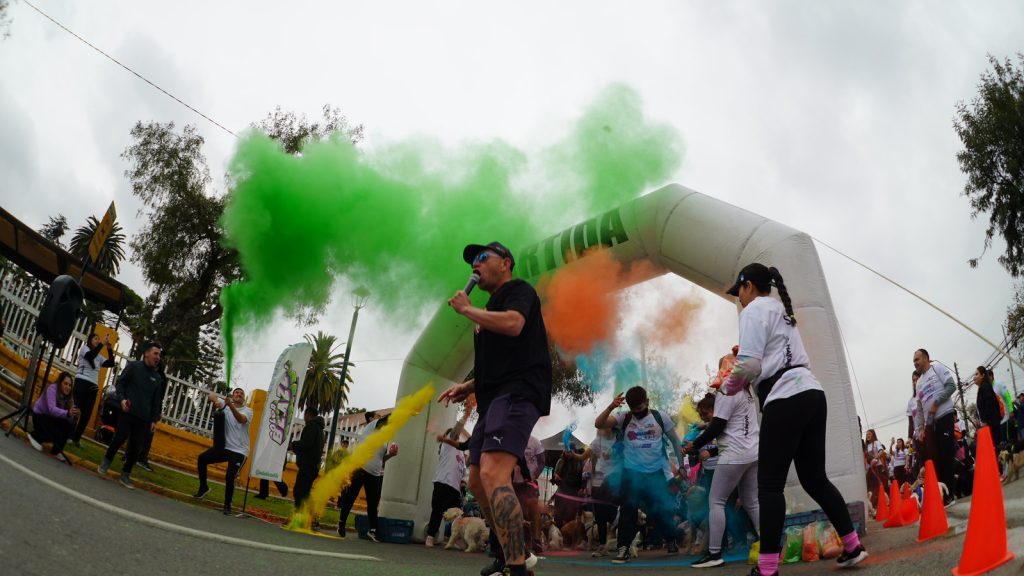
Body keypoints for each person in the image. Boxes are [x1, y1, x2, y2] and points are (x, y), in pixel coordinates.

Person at [721, 263, 867, 576]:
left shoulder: (752, 311)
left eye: (739, 292)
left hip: (784, 398)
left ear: (748, 285)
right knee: (815, 478)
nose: (739, 299)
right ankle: (853, 545)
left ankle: (768, 569)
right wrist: (748, 360)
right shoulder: (779, 310)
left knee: (769, 486)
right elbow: (768, 356)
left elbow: (747, 367)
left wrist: (727, 385)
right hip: (812, 393)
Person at [438, 241, 550, 576]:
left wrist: (467, 310)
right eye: (472, 259)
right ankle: (511, 554)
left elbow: (515, 325)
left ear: (506, 262)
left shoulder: (518, 290)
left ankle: (516, 570)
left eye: (482, 257)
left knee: (493, 473)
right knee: (476, 480)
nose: (475, 263)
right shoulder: (488, 312)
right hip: (493, 398)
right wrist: (469, 385)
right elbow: (496, 362)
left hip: (518, 392)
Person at [686, 359, 761, 569]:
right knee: (752, 501)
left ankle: (714, 554)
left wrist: (695, 444)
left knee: (716, 501)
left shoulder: (727, 389)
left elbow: (718, 425)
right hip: (753, 453)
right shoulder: (746, 390)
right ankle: (772, 545)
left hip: (734, 455)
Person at [594, 385, 682, 563]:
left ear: (647, 402)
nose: (637, 412)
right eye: (634, 409)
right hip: (632, 474)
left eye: (640, 408)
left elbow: (675, 440)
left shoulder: (660, 417)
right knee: (628, 509)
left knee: (659, 511)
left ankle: (671, 538)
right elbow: (599, 424)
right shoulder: (624, 417)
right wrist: (611, 406)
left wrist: (682, 466)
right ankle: (623, 549)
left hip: (655, 473)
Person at [98, 342, 165, 489]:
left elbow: (156, 401)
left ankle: (125, 474)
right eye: (155, 353)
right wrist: (121, 399)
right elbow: (120, 384)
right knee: (120, 437)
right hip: (127, 412)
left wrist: (154, 420)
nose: (158, 357)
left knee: (136, 447)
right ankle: (106, 462)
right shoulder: (134, 367)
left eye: (159, 355)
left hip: (143, 418)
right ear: (147, 353)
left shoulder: (157, 378)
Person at [337, 413, 398, 542]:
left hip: (374, 473)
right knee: (350, 497)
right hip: (360, 469)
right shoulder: (372, 426)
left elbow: (381, 459)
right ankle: (341, 523)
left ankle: (373, 530)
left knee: (373, 502)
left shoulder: (385, 437)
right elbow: (383, 420)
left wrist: (391, 455)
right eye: (377, 416)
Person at [192, 388, 252, 514]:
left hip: (239, 452)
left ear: (244, 398)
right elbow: (211, 395)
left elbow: (241, 419)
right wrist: (217, 402)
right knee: (202, 459)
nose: (239, 394)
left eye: (242, 393)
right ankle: (204, 487)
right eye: (237, 392)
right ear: (232, 395)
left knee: (230, 476)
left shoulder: (248, 410)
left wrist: (229, 405)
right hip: (224, 448)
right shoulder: (226, 404)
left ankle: (227, 505)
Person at [912, 348, 958, 507]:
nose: (915, 363)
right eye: (914, 361)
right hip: (931, 424)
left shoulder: (937, 368)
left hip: (944, 416)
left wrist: (937, 403)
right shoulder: (918, 383)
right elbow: (919, 408)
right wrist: (920, 429)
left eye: (917, 359)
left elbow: (952, 386)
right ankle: (943, 494)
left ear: (925, 358)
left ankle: (950, 495)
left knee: (946, 456)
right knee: (936, 460)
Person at [426, 412, 470, 547]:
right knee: (438, 511)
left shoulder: (461, 453)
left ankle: (455, 539)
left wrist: (464, 483)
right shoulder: (447, 446)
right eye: (455, 435)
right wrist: (465, 416)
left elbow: (462, 471)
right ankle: (430, 536)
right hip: (443, 482)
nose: (457, 437)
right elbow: (455, 431)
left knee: (458, 516)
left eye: (457, 436)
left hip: (455, 488)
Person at [70, 332, 115, 446]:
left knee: (86, 415)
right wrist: (101, 344)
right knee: (76, 410)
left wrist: (109, 349)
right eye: (95, 339)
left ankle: (76, 438)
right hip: (81, 382)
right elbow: (90, 356)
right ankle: (69, 435)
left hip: (93, 386)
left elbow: (111, 363)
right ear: (90, 340)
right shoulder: (85, 349)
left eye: (98, 339)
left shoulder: (99, 357)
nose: (97, 341)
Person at [28, 371, 80, 461]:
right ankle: (35, 436)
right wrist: (68, 413)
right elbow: (52, 410)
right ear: (60, 383)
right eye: (65, 384)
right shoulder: (52, 389)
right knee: (56, 430)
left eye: (70, 385)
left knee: (67, 425)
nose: (68, 387)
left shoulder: (69, 397)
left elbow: (68, 417)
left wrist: (74, 416)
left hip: (52, 419)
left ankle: (56, 451)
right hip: (40, 416)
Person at [586, 427, 618, 558]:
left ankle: (625, 543)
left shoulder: (619, 440)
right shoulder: (596, 442)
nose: (602, 429)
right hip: (598, 482)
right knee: (599, 516)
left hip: (614, 481)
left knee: (611, 513)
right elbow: (588, 458)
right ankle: (603, 545)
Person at [289, 407, 325, 509]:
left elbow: (306, 444)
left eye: (304, 415)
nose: (304, 417)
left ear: (308, 414)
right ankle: (311, 517)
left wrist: (293, 444)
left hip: (307, 465)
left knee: (299, 492)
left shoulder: (311, 426)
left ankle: (298, 517)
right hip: (313, 466)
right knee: (305, 493)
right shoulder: (320, 429)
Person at [975, 365, 1002, 449]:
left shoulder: (985, 387)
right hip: (989, 423)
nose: (974, 377)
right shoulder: (982, 388)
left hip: (992, 423)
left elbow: (989, 404)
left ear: (983, 375)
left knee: (994, 446)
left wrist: (986, 421)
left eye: (976, 374)